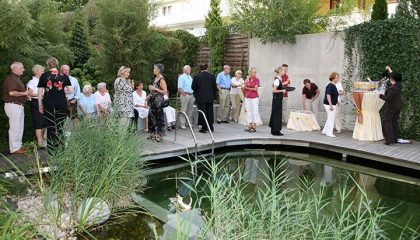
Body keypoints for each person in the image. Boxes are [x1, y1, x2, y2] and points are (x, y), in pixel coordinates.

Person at [37, 57, 73, 152]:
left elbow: (40, 93)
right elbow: (70, 90)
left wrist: (40, 105)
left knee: (50, 126)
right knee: (60, 126)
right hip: (61, 104)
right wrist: (61, 90)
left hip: (48, 104)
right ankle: (61, 149)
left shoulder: (44, 76)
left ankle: (51, 150)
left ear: (48, 65)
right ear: (57, 64)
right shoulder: (64, 76)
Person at [2, 62, 29, 154]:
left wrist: (25, 95)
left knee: (19, 127)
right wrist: (24, 93)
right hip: (13, 105)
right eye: (22, 67)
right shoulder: (10, 78)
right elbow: (12, 93)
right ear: (15, 68)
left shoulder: (16, 78)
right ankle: (14, 148)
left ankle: (18, 147)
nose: (23, 69)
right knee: (15, 127)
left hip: (17, 105)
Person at [192, 63, 217, 133]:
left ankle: (204, 128)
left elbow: (193, 87)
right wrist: (214, 97)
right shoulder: (212, 76)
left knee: (202, 112)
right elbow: (215, 88)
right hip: (210, 98)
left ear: (200, 69)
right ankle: (211, 127)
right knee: (210, 112)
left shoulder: (197, 77)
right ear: (207, 68)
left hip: (200, 98)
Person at [379, 72, 402, 145]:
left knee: (387, 122)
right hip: (397, 106)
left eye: (390, 77)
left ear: (392, 79)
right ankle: (394, 139)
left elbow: (388, 99)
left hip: (391, 107)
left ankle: (389, 141)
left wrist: (380, 95)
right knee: (394, 122)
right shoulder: (399, 85)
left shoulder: (392, 88)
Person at [148, 63, 168, 142]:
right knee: (152, 117)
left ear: (159, 70)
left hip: (158, 102)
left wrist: (155, 89)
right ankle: (153, 134)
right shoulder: (156, 78)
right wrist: (149, 96)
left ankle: (159, 135)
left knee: (158, 118)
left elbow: (165, 92)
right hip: (153, 102)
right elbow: (154, 91)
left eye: (154, 68)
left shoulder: (161, 79)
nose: (153, 70)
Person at [27, 64, 45, 148]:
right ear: (37, 71)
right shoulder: (32, 81)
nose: (43, 72)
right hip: (34, 102)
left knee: (43, 122)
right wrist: (40, 94)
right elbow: (30, 93)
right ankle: (40, 142)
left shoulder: (42, 81)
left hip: (42, 101)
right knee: (39, 122)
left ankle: (42, 141)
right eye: (42, 70)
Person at [269, 67, 287, 136]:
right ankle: (276, 131)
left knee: (276, 114)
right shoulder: (277, 80)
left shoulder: (279, 79)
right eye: (283, 71)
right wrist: (282, 90)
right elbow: (273, 90)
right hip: (277, 100)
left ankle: (274, 130)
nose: (284, 72)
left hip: (278, 99)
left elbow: (278, 87)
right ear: (280, 71)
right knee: (277, 114)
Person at [244, 67, 262, 133]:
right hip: (247, 97)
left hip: (254, 98)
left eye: (255, 72)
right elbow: (243, 87)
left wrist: (247, 88)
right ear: (250, 73)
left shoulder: (257, 80)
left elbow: (255, 89)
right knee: (249, 111)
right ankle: (249, 126)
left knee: (255, 111)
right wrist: (247, 80)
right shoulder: (247, 79)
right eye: (253, 72)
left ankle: (254, 127)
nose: (255, 73)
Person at [322, 72, 339, 138]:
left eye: (338, 77)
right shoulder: (330, 85)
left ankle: (325, 131)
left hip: (332, 104)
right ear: (333, 78)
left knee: (330, 117)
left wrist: (337, 102)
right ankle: (329, 132)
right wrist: (331, 105)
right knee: (331, 118)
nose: (338, 79)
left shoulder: (334, 85)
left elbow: (334, 95)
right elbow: (328, 95)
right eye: (337, 78)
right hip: (329, 104)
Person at [177, 65, 194, 129]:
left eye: (190, 68)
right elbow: (180, 88)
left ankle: (188, 123)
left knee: (190, 110)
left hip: (191, 95)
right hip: (185, 95)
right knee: (184, 110)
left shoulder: (190, 77)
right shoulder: (182, 77)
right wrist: (184, 94)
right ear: (184, 70)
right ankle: (182, 124)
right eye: (188, 68)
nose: (190, 69)